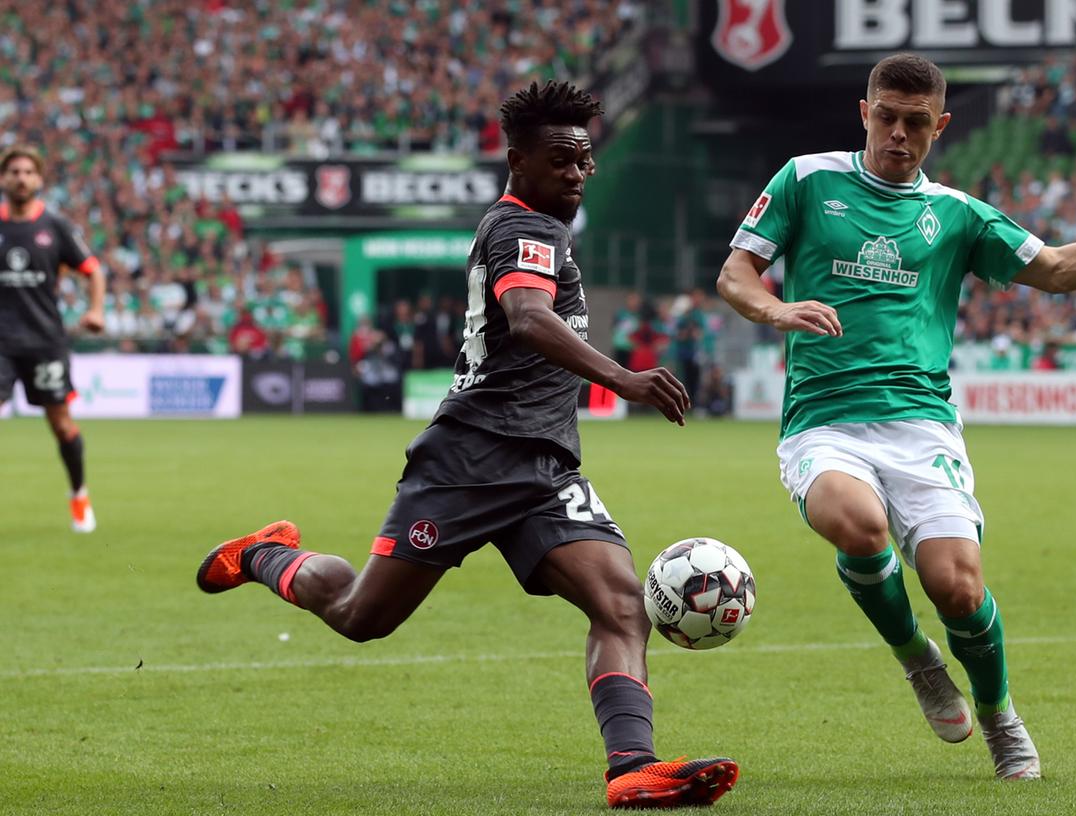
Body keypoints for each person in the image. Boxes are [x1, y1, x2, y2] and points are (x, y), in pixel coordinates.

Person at [194, 81, 737, 809]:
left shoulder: (538, 226)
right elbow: (528, 316)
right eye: (560, 160)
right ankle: (264, 553)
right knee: (362, 617)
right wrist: (622, 380)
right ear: (519, 162)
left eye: (585, 161)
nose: (576, 173)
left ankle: (631, 768)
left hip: (542, 466)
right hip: (471, 458)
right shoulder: (525, 230)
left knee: (620, 605)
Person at [716, 54, 1076, 780]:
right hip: (823, 420)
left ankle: (998, 715)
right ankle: (917, 660)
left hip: (920, 425)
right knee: (854, 522)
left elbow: (1058, 270)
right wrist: (776, 308)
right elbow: (735, 273)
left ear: (939, 126)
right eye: (885, 116)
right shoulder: (805, 178)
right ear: (864, 113)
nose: (897, 133)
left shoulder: (956, 214)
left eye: (914, 122)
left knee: (957, 587)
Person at [0, 146, 106, 533]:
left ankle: (79, 494)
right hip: (1, 342)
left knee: (61, 425)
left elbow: (93, 271)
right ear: (3, 179)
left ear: (39, 179)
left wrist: (96, 311)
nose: (21, 178)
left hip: (45, 340)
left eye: (28, 171)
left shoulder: (56, 227)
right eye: (14, 171)